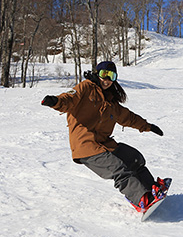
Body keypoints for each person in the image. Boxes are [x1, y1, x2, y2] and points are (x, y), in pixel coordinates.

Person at [41, 61, 169, 213]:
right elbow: (69, 98)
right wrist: (56, 101)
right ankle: (141, 199)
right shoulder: (86, 88)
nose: (107, 80)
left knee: (133, 158)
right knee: (118, 169)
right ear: (97, 74)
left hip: (104, 144)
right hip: (86, 146)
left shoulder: (110, 102)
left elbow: (128, 117)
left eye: (111, 76)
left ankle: (150, 188)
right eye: (104, 75)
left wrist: (148, 126)